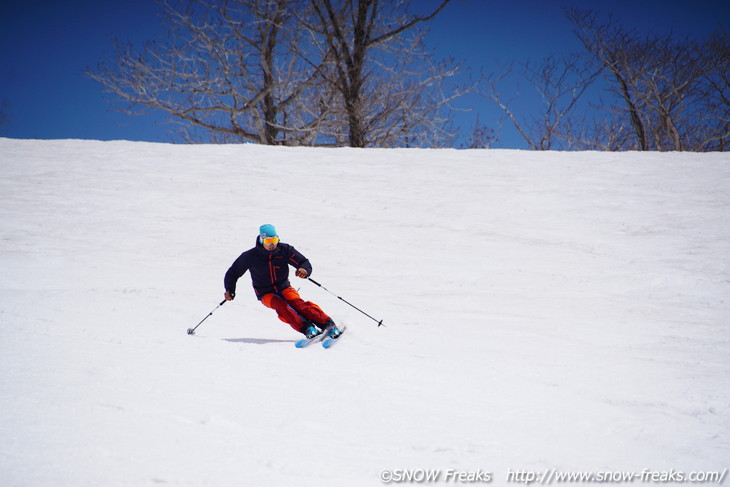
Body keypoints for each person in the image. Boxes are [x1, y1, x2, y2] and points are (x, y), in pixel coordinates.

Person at [224, 224, 341, 339]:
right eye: (267, 241)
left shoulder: (284, 250)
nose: (271, 245)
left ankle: (328, 324)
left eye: (274, 240)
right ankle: (307, 328)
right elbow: (233, 273)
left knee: (299, 305)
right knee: (281, 307)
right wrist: (230, 290)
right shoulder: (250, 256)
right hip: (265, 293)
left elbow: (303, 262)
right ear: (261, 240)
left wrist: (304, 270)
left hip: (284, 287)